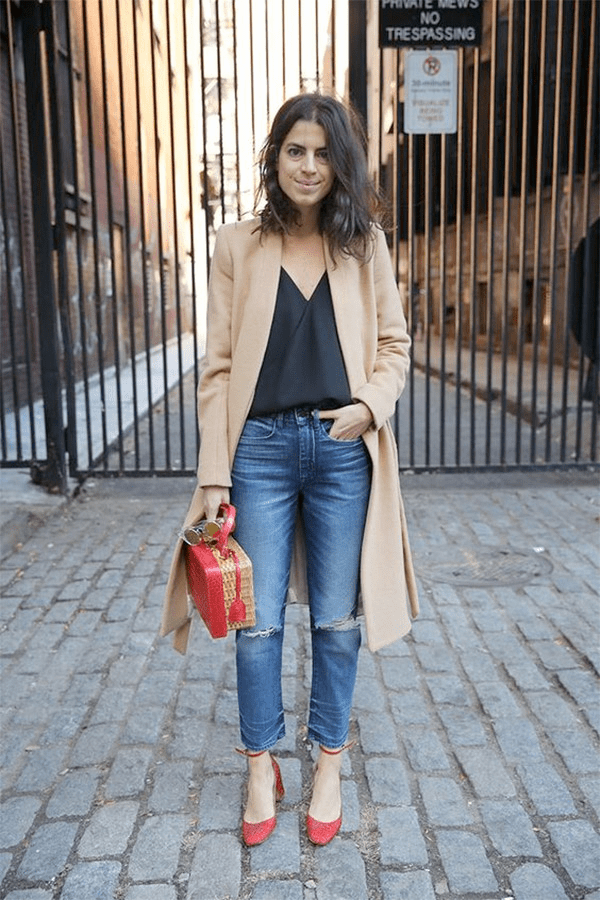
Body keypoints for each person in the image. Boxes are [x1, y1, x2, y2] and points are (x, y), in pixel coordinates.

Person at [161, 92, 419, 847]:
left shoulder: (364, 243)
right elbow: (218, 370)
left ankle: (329, 762)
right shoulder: (237, 244)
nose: (308, 166)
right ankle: (259, 766)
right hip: (261, 454)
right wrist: (215, 474)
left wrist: (369, 407)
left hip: (342, 452)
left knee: (338, 622)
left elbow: (395, 347)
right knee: (256, 622)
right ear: (274, 158)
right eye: (294, 150)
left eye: (322, 152)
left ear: (341, 162)